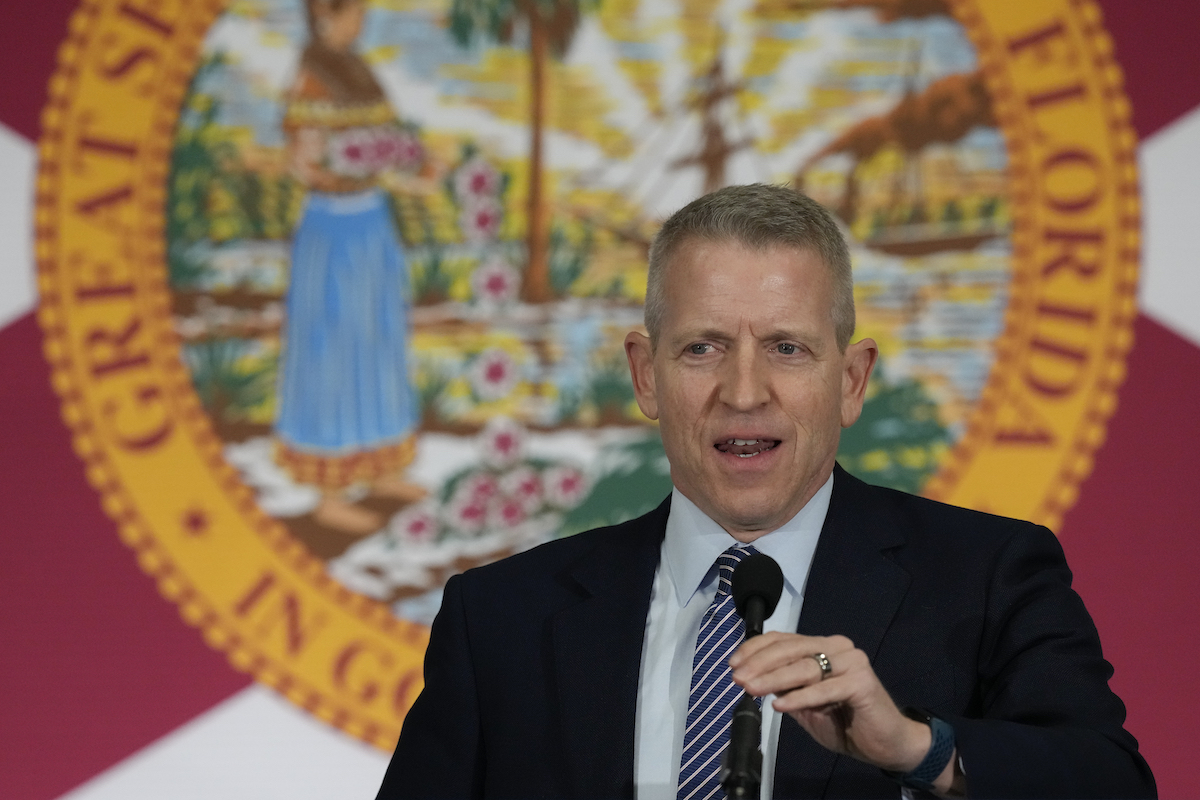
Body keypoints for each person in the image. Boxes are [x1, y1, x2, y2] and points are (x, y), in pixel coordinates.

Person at [375, 184, 1155, 798]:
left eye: (787, 348)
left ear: (851, 381)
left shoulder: (988, 577)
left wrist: (918, 749)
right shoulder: (499, 618)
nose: (744, 392)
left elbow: (1111, 783)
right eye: (702, 348)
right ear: (645, 375)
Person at [275, 0, 426, 534]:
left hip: (371, 222)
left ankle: (382, 469)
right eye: (352, 11)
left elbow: (388, 141)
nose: (361, 20)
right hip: (333, 225)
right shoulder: (311, 76)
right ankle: (330, 493)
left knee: (378, 340)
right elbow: (303, 159)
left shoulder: (359, 69)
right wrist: (342, 164)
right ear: (324, 14)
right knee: (333, 348)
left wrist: (406, 164)